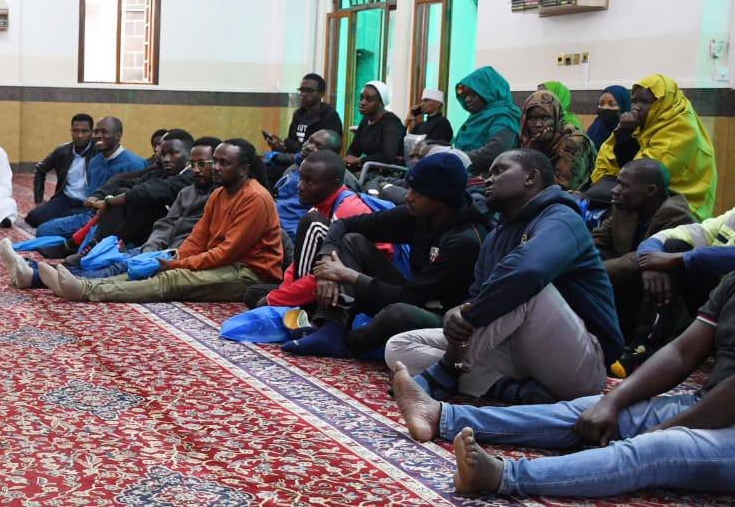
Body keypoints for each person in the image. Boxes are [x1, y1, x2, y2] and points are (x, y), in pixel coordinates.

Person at [390, 272, 735, 498]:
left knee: (657, 449)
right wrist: (611, 403)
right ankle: (442, 416)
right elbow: (681, 351)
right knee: (586, 412)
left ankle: (503, 476)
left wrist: (663, 430)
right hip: (707, 401)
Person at [385, 149, 623, 405]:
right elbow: (477, 297)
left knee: (525, 287)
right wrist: (459, 312)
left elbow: (529, 273)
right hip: (513, 351)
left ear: (531, 178)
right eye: (488, 173)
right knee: (399, 347)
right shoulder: (495, 237)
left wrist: (466, 319)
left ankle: (445, 372)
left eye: (499, 171)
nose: (488, 180)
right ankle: (512, 391)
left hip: (581, 362)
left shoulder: (562, 218)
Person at [282, 152, 492, 358]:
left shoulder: (464, 240)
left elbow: (410, 297)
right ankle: (331, 328)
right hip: (413, 294)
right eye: (409, 188)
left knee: (399, 313)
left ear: (441, 200)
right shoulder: (419, 214)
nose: (408, 197)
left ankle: (348, 343)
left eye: (417, 192)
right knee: (353, 241)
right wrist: (327, 257)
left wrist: (348, 275)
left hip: (444, 316)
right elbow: (345, 224)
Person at [38, 139, 282, 303]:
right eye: (215, 161)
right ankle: (83, 284)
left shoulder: (254, 198)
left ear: (244, 169)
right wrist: (174, 258)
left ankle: (87, 291)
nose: (215, 168)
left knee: (172, 279)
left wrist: (177, 266)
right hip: (223, 263)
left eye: (224, 163)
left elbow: (227, 252)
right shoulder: (219, 193)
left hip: (248, 273)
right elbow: (198, 238)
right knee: (148, 267)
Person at [1, 137, 223, 288]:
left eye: (203, 164)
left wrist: (169, 254)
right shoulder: (190, 189)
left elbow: (152, 194)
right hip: (155, 245)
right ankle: (37, 269)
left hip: (177, 255)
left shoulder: (212, 192)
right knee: (116, 261)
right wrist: (152, 247)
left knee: (117, 268)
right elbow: (165, 221)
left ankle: (40, 274)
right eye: (194, 164)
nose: (163, 157)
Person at [591, 159, 695, 374]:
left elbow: (640, 260)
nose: (616, 190)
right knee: (591, 256)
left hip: (662, 298)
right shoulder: (623, 206)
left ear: (650, 191)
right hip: (627, 285)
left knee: (655, 271)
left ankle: (642, 345)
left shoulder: (676, 214)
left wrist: (592, 272)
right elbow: (596, 241)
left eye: (624, 185)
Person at [257, 150, 388, 309]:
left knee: (267, 302)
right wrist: (283, 293)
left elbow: (334, 271)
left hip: (366, 283)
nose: (300, 186)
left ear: (333, 184)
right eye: (301, 178)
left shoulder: (347, 209)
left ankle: (303, 311)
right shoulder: (319, 205)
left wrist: (277, 300)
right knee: (255, 294)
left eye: (310, 182)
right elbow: (298, 264)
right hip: (327, 275)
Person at [617, 202, 735, 376]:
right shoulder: (732, 217)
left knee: (676, 256)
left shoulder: (673, 208)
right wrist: (651, 262)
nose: (616, 190)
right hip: (718, 304)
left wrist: (679, 258)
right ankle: (643, 348)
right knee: (673, 245)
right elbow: (672, 235)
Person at [592, 74, 717, 219]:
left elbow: (644, 176)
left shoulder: (681, 128)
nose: (636, 107)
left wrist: (625, 134)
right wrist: (624, 132)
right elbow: (611, 156)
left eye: (644, 101)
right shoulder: (646, 123)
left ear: (663, 102)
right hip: (642, 195)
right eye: (634, 101)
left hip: (681, 205)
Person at [34, 117, 146, 238]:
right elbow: (92, 200)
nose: (98, 135)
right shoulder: (95, 162)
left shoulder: (135, 164)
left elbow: (138, 203)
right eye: (96, 132)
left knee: (47, 232)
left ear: (118, 136)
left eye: (104, 132)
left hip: (117, 222)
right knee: (44, 228)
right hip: (91, 216)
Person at [82, 130, 196, 248]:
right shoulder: (164, 172)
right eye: (164, 154)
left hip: (170, 236)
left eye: (173, 153)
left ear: (190, 154)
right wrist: (100, 196)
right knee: (123, 194)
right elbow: (126, 181)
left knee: (140, 200)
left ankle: (102, 247)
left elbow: (149, 190)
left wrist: (109, 201)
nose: (166, 159)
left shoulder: (190, 176)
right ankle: (98, 247)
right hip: (139, 230)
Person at [25, 114, 95, 227]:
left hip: (87, 204)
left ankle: (62, 221)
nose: (80, 135)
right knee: (33, 218)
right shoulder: (63, 151)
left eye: (84, 131)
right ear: (71, 131)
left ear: (92, 132)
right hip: (65, 199)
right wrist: (39, 200)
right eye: (76, 131)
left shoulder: (99, 153)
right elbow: (40, 170)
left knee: (75, 224)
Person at [519, 89, 595, 191]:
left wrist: (534, 154)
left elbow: (560, 187)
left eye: (545, 118)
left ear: (556, 118)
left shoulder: (573, 142)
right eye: (532, 118)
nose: (538, 124)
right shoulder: (528, 139)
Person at [452, 66, 521, 175]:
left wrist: (455, 157)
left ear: (490, 92)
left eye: (473, 94)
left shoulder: (504, 116)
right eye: (465, 95)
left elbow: (495, 152)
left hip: (489, 184)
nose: (467, 99)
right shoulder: (475, 118)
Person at [264, 73, 343, 164]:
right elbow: (291, 143)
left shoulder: (330, 116)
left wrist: (290, 146)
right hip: (295, 161)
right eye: (301, 90)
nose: (304, 94)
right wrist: (281, 146)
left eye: (309, 90)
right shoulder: (299, 114)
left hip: (315, 164)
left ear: (321, 94)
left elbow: (328, 151)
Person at [345, 80, 406, 170]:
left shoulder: (392, 122)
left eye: (369, 100)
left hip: (389, 173)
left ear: (381, 103)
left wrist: (359, 161)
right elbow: (354, 148)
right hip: (369, 168)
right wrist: (348, 161)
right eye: (361, 98)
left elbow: (387, 156)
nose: (362, 102)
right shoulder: (366, 119)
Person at [585, 85, 631, 151]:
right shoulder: (595, 128)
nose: (605, 107)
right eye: (601, 104)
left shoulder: (631, 133)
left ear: (623, 106)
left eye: (612, 104)